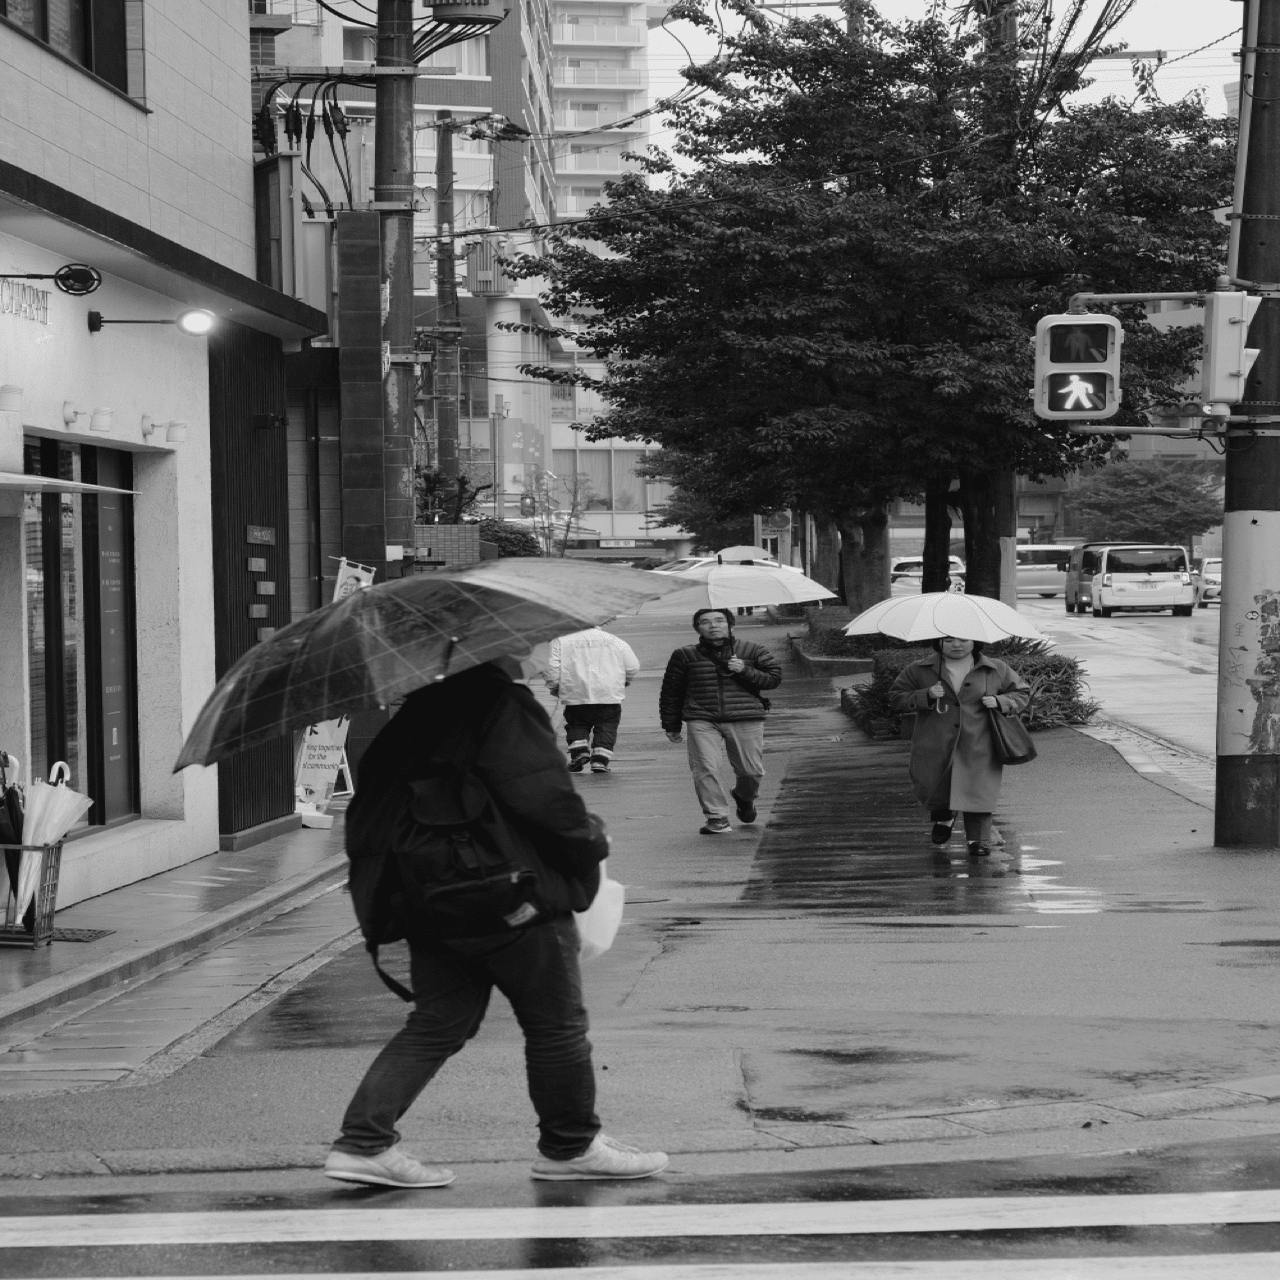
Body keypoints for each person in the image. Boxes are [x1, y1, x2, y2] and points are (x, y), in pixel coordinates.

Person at [325, 656, 669, 1189]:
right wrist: (591, 841)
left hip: (430, 899)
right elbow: (545, 797)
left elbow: (372, 813)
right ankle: (571, 1147)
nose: (530, 648)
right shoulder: (502, 703)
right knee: (555, 1025)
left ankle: (363, 1143)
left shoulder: (412, 716)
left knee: (439, 1022)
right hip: (509, 893)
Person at [888, 636, 1031, 857]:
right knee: (936, 782)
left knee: (979, 789)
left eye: (963, 639)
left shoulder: (995, 668)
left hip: (980, 739)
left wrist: (1000, 701)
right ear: (939, 642)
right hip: (935, 739)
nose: (956, 645)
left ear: (975, 641)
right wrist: (925, 695)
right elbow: (896, 697)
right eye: (948, 640)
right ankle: (944, 817)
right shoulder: (918, 669)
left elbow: (1021, 692)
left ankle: (978, 839)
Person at [659, 608, 783, 835]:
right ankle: (717, 816)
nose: (713, 625)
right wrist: (671, 725)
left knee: (751, 771)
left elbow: (773, 679)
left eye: (719, 621)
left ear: (730, 625)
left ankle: (744, 796)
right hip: (701, 718)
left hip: (745, 716)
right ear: (698, 628)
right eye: (705, 622)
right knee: (705, 767)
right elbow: (671, 692)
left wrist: (744, 669)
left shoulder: (752, 650)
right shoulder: (684, 655)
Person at [547, 627, 641, 773]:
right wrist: (624, 680)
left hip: (576, 691)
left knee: (577, 723)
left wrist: (555, 686)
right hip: (608, 693)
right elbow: (632, 666)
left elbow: (551, 666)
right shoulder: (614, 640)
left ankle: (579, 752)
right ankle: (600, 760)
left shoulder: (560, 641)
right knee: (607, 725)